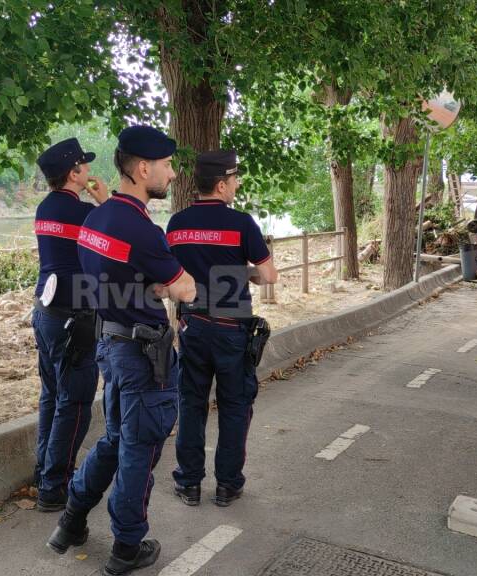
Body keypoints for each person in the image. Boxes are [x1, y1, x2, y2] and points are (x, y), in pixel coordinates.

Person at [47, 125, 196, 576]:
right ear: (144, 168)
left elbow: (114, 278)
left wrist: (147, 285)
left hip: (109, 344)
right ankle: (127, 547)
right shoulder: (142, 228)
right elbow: (185, 288)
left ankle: (71, 521)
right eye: (167, 166)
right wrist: (168, 284)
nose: (172, 174)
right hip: (142, 354)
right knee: (139, 446)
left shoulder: (95, 219)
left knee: (114, 439)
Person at [164, 149, 278, 507]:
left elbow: (170, 280)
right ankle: (227, 485)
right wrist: (244, 272)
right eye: (234, 180)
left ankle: (189, 483)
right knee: (234, 405)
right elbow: (269, 276)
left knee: (191, 404)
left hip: (192, 325)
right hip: (232, 330)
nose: (236, 185)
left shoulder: (176, 224)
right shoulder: (242, 224)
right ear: (220, 184)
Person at [31, 137, 109, 511]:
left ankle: (43, 470)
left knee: (51, 395)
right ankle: (53, 487)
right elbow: (119, 234)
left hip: (44, 313)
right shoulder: (85, 214)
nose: (90, 172)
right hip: (74, 318)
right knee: (74, 401)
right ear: (73, 173)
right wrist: (106, 202)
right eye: (85, 167)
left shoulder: (44, 208)